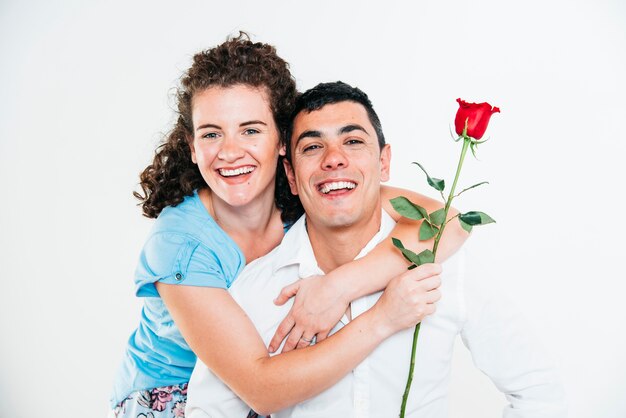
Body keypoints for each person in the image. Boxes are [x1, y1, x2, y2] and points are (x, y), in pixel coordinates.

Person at [110, 35, 467, 417]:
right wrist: (383, 319)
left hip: (270, 379)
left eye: (250, 130)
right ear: (192, 145)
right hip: (176, 399)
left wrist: (341, 286)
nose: (230, 152)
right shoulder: (179, 244)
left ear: (282, 141)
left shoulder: (305, 195)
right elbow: (261, 389)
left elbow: (444, 219)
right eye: (212, 134)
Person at [185, 81, 567, 417]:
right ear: (292, 176)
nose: (334, 158)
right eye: (313, 146)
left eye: (353, 141)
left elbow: (538, 393)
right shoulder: (260, 287)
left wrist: (342, 285)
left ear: (384, 162)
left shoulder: (446, 267)